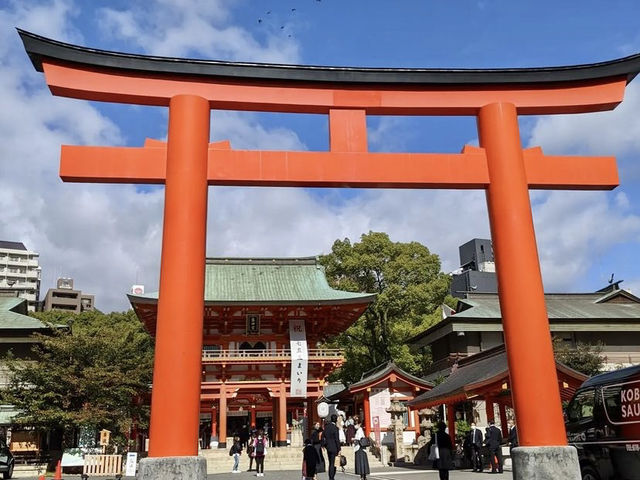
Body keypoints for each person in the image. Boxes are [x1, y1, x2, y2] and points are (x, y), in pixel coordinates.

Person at [323, 414, 341, 480]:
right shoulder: (335, 428)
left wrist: (324, 445)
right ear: (336, 420)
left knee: (330, 462)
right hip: (334, 448)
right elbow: (337, 439)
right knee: (334, 463)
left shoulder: (326, 427)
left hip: (328, 447)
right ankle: (332, 477)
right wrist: (339, 448)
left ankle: (331, 477)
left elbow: (323, 436)